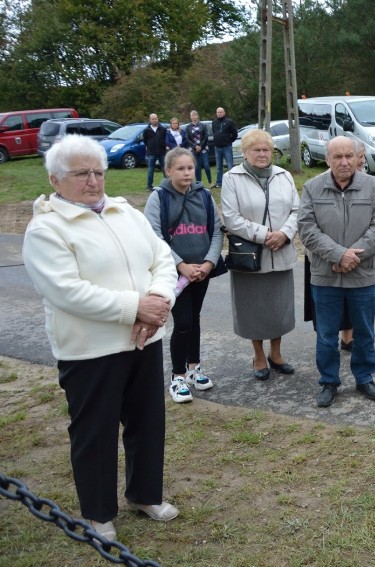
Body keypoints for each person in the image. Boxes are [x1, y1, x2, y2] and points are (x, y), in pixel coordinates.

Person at [22, 135, 179, 542]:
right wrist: (135, 308)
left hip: (144, 338)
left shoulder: (125, 212)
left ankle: (145, 495)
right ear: (56, 180)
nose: (93, 181)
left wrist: (160, 300)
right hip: (91, 349)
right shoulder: (46, 228)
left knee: (148, 422)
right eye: (81, 174)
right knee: (96, 431)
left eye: (98, 172)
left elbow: (161, 257)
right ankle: (98, 512)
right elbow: (66, 291)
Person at [298, 136, 375, 408]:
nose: (344, 162)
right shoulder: (312, 188)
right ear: (327, 159)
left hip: (363, 276)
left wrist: (351, 257)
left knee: (364, 332)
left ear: (358, 157)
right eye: (337, 157)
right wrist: (338, 255)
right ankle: (328, 381)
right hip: (325, 277)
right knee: (326, 335)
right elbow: (307, 229)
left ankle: (364, 377)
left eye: (349, 155)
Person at [144, 147, 224, 403]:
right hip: (174, 275)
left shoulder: (204, 195)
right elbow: (153, 236)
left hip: (201, 272)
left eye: (190, 167)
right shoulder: (159, 198)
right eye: (180, 168)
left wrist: (209, 262)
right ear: (168, 171)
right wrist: (180, 265)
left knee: (195, 319)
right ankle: (177, 377)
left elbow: (216, 231)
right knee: (184, 322)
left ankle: (194, 368)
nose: (187, 173)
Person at [221, 129, 300, 380]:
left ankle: (276, 354)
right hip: (251, 256)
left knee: (279, 308)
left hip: (282, 251)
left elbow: (297, 210)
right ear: (245, 153)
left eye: (266, 149)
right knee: (253, 309)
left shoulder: (284, 176)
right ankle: (258, 355)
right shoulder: (232, 178)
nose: (263, 154)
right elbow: (231, 218)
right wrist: (265, 234)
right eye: (257, 149)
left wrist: (285, 233)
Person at [212, 107, 238, 189]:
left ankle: (231, 182)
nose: (219, 113)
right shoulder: (214, 122)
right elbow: (214, 132)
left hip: (227, 147)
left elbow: (235, 134)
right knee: (219, 167)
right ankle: (219, 183)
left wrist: (229, 141)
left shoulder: (229, 122)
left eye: (220, 112)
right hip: (217, 147)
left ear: (224, 113)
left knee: (230, 165)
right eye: (218, 112)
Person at [184, 110, 212, 186]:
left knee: (206, 165)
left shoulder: (203, 125)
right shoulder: (188, 127)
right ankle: (198, 183)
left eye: (195, 115)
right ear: (190, 117)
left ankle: (210, 182)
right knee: (196, 167)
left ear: (198, 116)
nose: (193, 117)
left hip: (203, 148)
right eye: (192, 115)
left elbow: (206, 136)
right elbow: (187, 138)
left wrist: (200, 146)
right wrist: (195, 146)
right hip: (193, 149)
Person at [143, 113, 167, 191]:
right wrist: (150, 146)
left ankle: (167, 184)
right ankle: (149, 186)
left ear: (157, 119)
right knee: (150, 170)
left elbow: (165, 139)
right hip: (151, 153)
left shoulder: (163, 129)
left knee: (165, 169)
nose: (154, 120)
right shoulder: (146, 130)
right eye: (152, 119)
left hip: (162, 152)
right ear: (150, 120)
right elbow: (145, 140)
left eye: (155, 118)